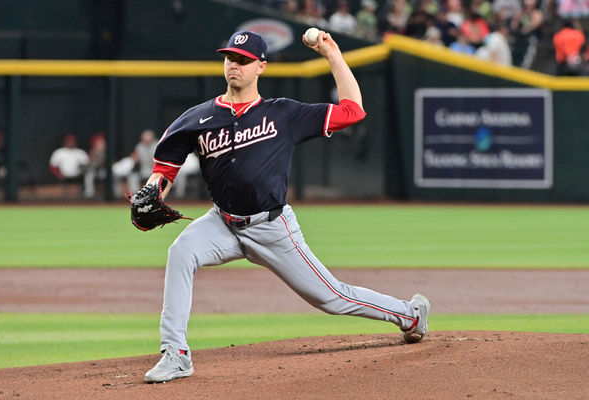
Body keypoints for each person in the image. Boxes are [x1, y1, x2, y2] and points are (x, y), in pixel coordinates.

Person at [139, 29, 430, 384]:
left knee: (331, 297)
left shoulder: (283, 114)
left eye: (244, 61)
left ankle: (410, 315)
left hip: (272, 226)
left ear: (261, 66)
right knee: (181, 251)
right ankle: (175, 354)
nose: (235, 65)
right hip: (222, 223)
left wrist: (332, 55)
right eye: (230, 58)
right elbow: (165, 169)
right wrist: (153, 191)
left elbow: (352, 111)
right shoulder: (198, 118)